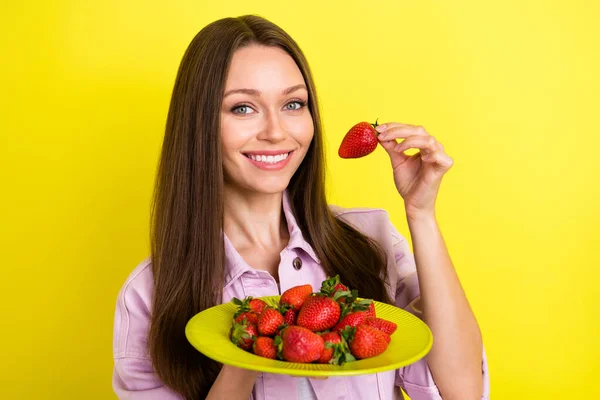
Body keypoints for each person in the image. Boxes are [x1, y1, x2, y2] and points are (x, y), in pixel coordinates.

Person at [112, 14, 490, 400]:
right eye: (243, 108)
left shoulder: (370, 240)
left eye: (293, 103)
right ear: (199, 124)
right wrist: (249, 341)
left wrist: (421, 214)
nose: (276, 132)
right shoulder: (149, 295)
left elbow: (462, 391)